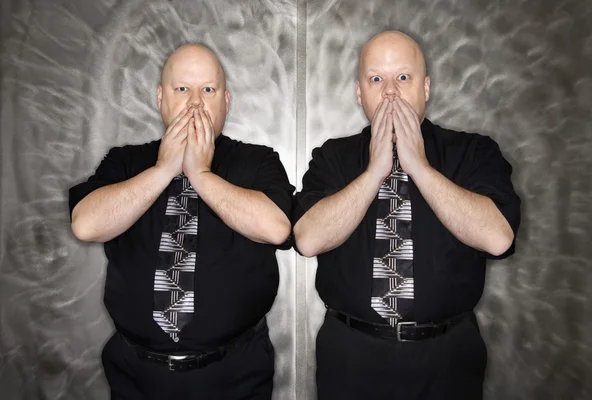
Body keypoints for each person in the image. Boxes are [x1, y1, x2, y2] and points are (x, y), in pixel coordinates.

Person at [293, 31, 521, 399]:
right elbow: (307, 239)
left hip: (448, 360)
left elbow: (498, 238)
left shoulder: (474, 152)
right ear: (359, 93)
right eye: (376, 79)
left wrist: (419, 167)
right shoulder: (332, 158)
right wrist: (373, 174)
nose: (389, 92)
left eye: (403, 77)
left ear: (425, 87)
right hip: (351, 358)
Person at [69, 43, 294, 399]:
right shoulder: (125, 161)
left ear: (226, 101)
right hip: (136, 378)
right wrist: (163, 170)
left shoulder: (257, 161)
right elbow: (86, 224)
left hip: (236, 374)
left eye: (208, 89)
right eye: (182, 89)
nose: (194, 102)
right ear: (161, 98)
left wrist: (200, 174)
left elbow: (277, 227)